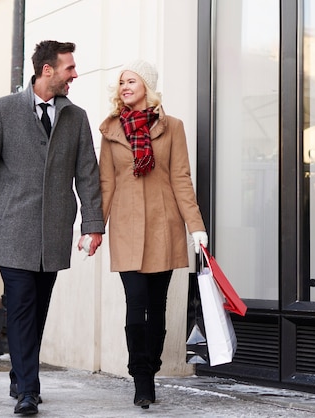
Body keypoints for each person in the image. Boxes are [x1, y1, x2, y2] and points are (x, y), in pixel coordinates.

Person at [0, 40, 104, 415]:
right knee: (21, 306)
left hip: (53, 233)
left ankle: (19, 375)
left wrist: (93, 225)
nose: (75, 74)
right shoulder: (2, 111)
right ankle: (28, 390)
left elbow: (88, 174)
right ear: (47, 70)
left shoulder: (76, 117)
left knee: (37, 311)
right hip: (11, 231)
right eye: (69, 67)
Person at [98, 60, 208, 409]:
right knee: (136, 305)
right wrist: (93, 228)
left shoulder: (172, 127)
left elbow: (181, 179)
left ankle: (152, 362)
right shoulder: (111, 130)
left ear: (147, 84)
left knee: (158, 309)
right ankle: (140, 376)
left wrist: (197, 227)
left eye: (131, 80)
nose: (124, 87)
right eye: (121, 82)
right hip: (127, 229)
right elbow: (105, 184)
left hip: (164, 227)